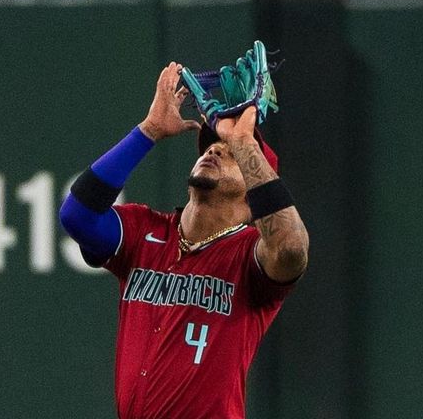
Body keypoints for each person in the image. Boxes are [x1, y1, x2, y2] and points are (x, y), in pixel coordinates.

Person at [59, 61, 309, 419]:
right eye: (211, 145)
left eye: (232, 152)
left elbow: (290, 249)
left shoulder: (248, 258)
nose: (215, 150)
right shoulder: (143, 232)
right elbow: (76, 215)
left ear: (254, 190)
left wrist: (244, 142)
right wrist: (149, 131)